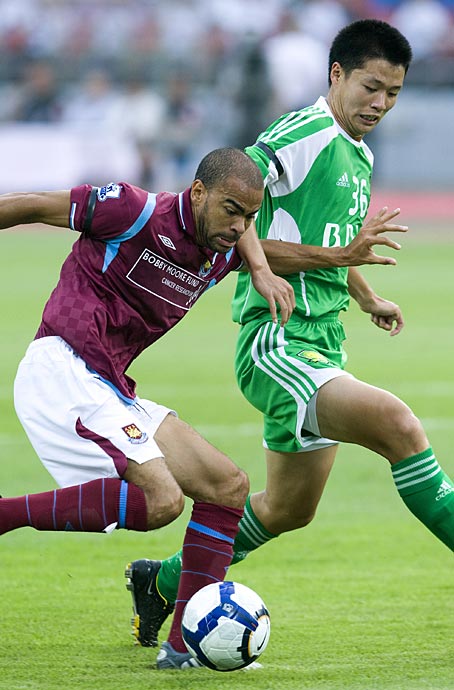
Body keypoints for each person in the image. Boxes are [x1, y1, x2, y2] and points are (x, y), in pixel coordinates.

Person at [130, 18, 454, 659]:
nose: (380, 104)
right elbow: (229, 197)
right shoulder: (304, 133)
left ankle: (160, 582)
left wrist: (365, 295)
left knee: (287, 508)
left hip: (323, 340)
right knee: (399, 426)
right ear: (336, 74)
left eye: (392, 93)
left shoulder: (358, 152)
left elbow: (330, 242)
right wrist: (255, 266)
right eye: (370, 87)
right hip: (276, 341)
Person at [0, 147, 297, 670]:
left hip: (110, 386)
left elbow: (271, 250)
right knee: (161, 500)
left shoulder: (219, 252)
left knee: (227, 486)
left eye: (249, 217)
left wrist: (343, 258)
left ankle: (182, 649)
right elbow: (33, 205)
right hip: (64, 366)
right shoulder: (132, 210)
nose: (240, 226)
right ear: (199, 193)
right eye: (231, 210)